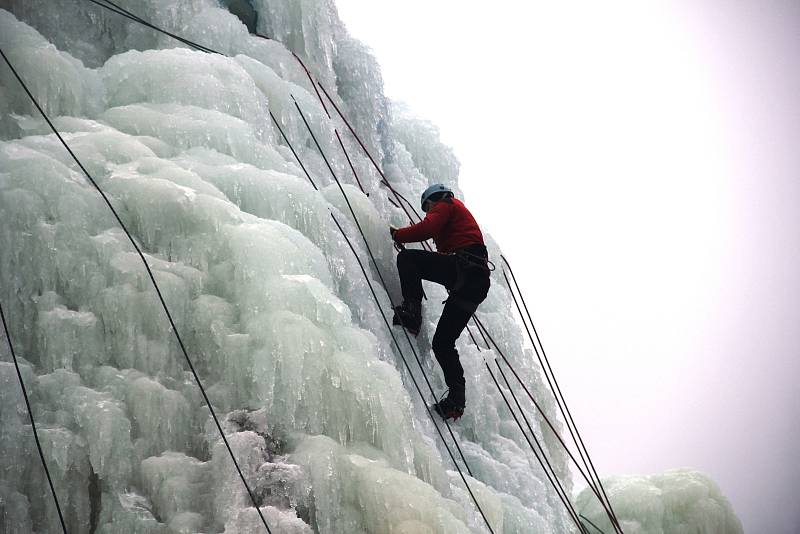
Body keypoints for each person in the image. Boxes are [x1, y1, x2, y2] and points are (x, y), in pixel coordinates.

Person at [390, 184, 491, 420]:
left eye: (427, 206)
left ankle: (412, 312)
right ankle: (456, 401)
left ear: (435, 199)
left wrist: (398, 234)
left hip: (464, 269)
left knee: (408, 259)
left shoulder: (446, 204)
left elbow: (429, 227)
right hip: (473, 285)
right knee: (443, 343)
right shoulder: (457, 218)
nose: (428, 211)